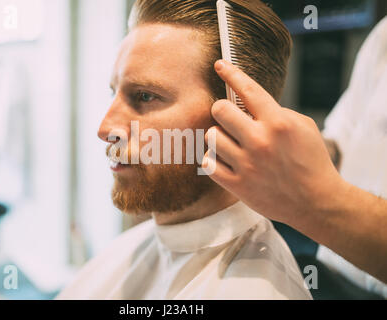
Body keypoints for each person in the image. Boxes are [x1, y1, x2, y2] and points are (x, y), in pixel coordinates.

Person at [57, 0, 311, 299]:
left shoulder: (253, 291)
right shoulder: (137, 246)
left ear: (238, 116)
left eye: (145, 96)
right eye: (114, 93)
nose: (105, 128)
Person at [203, 17, 387, 291]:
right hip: (332, 278)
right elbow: (338, 147)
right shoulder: (382, 37)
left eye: (146, 97)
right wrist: (280, 144)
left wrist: (314, 199)